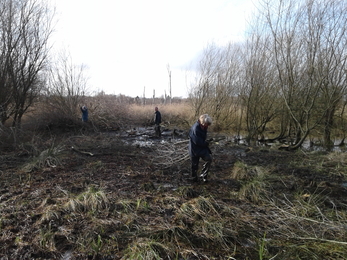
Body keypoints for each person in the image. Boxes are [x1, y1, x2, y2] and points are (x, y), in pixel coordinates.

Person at [188, 114, 213, 182]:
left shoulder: (204, 127)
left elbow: (202, 138)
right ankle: (194, 178)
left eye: (208, 125)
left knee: (209, 159)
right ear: (203, 122)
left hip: (202, 148)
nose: (207, 126)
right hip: (194, 149)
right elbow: (197, 141)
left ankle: (203, 176)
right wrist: (206, 143)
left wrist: (207, 141)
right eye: (207, 124)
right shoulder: (195, 128)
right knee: (194, 165)